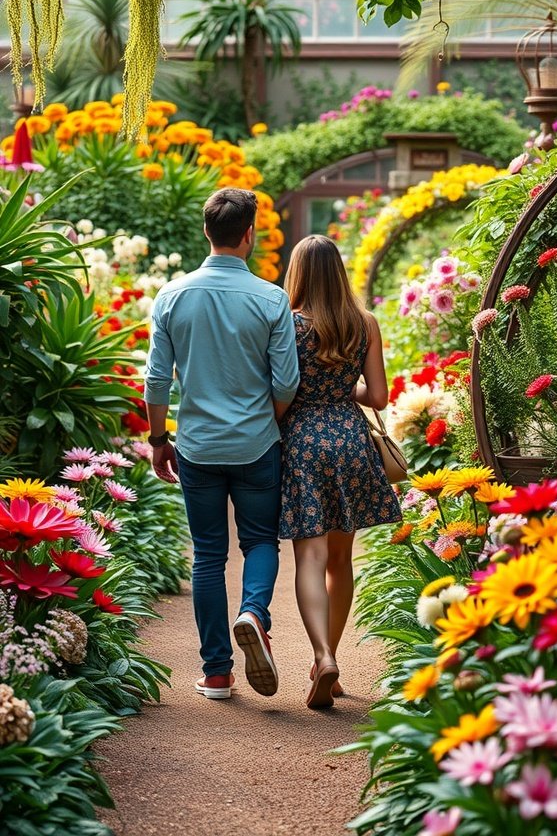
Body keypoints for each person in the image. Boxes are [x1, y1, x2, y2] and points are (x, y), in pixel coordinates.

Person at [144, 188, 300, 701]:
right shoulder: (271, 298)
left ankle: (216, 673)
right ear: (250, 234)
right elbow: (284, 384)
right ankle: (254, 612)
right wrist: (266, 424)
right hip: (257, 445)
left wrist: (159, 439)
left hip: (197, 446)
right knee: (258, 541)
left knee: (208, 555)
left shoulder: (172, 296)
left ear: (206, 232)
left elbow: (156, 382)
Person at [279, 235, 401, 709]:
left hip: (303, 443)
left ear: (299, 273)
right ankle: (329, 662)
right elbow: (378, 397)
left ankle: (322, 655)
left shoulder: (287, 324)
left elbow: (281, 388)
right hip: (350, 440)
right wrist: (341, 392)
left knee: (308, 557)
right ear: (340, 272)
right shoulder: (363, 322)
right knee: (340, 559)